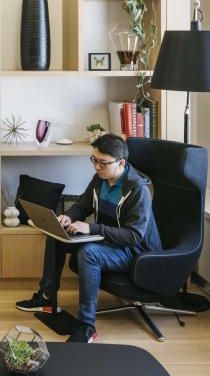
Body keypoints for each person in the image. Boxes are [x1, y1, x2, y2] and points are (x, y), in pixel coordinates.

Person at [15, 133, 162, 343]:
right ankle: (46, 299)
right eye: (94, 160)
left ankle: (87, 326)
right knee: (56, 234)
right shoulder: (101, 179)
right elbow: (83, 205)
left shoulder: (138, 190)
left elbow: (134, 236)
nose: (97, 167)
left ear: (121, 163)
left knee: (89, 253)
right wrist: (68, 217)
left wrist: (91, 228)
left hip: (135, 252)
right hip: (109, 240)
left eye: (103, 163)